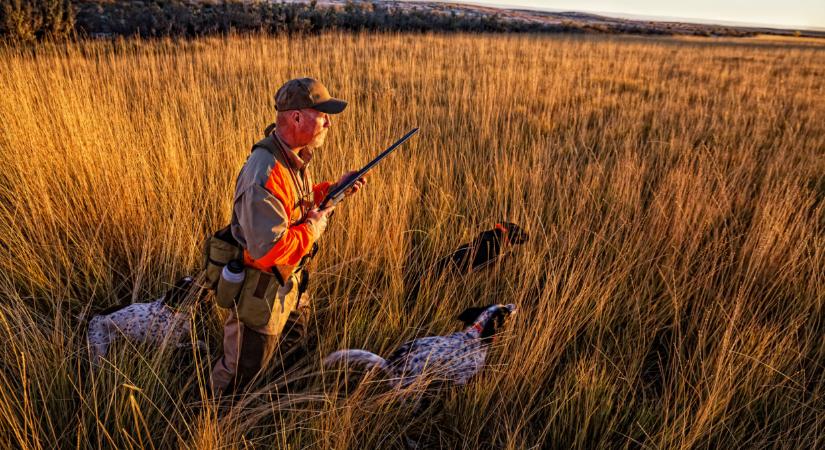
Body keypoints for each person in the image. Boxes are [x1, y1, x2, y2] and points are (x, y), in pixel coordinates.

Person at [210, 77, 366, 394]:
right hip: (262, 295)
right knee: (240, 373)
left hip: (290, 288)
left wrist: (335, 190)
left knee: (283, 360)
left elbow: (295, 208)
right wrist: (313, 228)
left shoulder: (292, 157)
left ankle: (268, 409)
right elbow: (268, 249)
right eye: (321, 114)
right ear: (296, 117)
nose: (328, 123)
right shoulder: (264, 173)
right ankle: (209, 423)